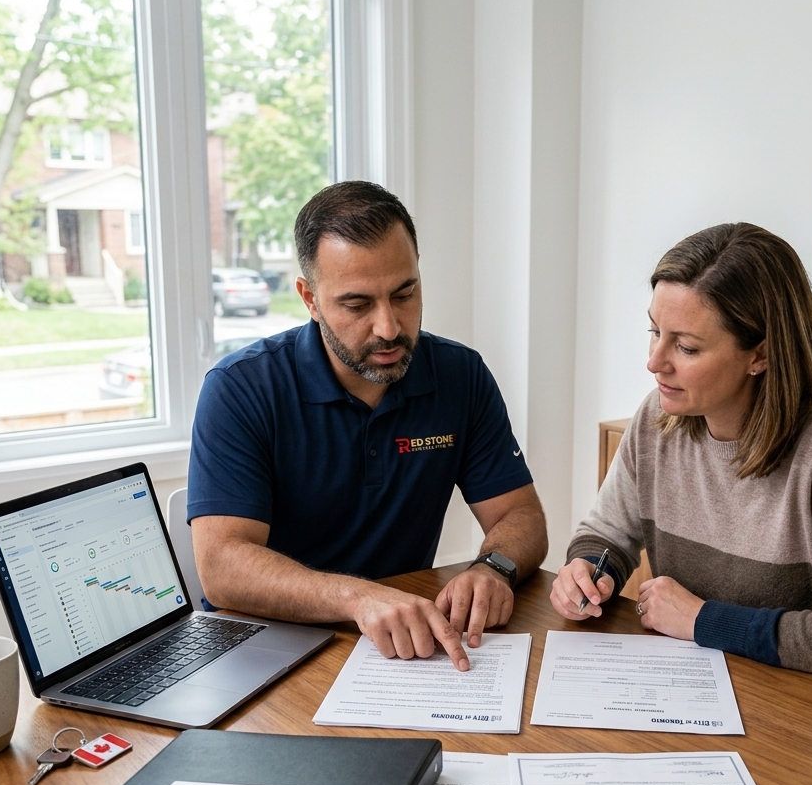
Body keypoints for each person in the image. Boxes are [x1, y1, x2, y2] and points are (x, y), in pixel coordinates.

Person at [551, 222, 812, 694]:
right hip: (722, 687)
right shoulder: (657, 420)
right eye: (654, 331)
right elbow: (605, 534)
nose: (654, 361)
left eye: (686, 346)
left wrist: (704, 621)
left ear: (761, 355)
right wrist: (589, 571)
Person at [189, 181, 547, 672]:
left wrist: (495, 568)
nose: (388, 327)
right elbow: (222, 567)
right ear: (309, 299)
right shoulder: (240, 388)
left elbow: (521, 516)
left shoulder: (460, 376)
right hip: (262, 650)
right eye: (357, 305)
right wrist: (358, 598)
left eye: (405, 293)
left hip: (402, 647)